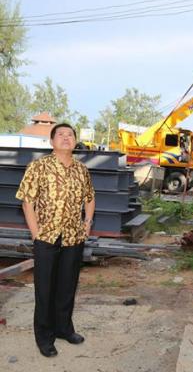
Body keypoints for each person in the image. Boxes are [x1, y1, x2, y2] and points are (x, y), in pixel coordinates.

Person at [16, 123, 95, 358]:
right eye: (60, 134)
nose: (65, 137)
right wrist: (36, 234)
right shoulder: (38, 166)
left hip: (73, 237)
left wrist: (87, 222)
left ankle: (64, 329)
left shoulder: (82, 170)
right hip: (47, 236)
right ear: (51, 141)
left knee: (67, 287)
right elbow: (27, 202)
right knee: (45, 289)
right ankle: (44, 337)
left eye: (70, 134)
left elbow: (90, 197)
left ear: (75, 141)